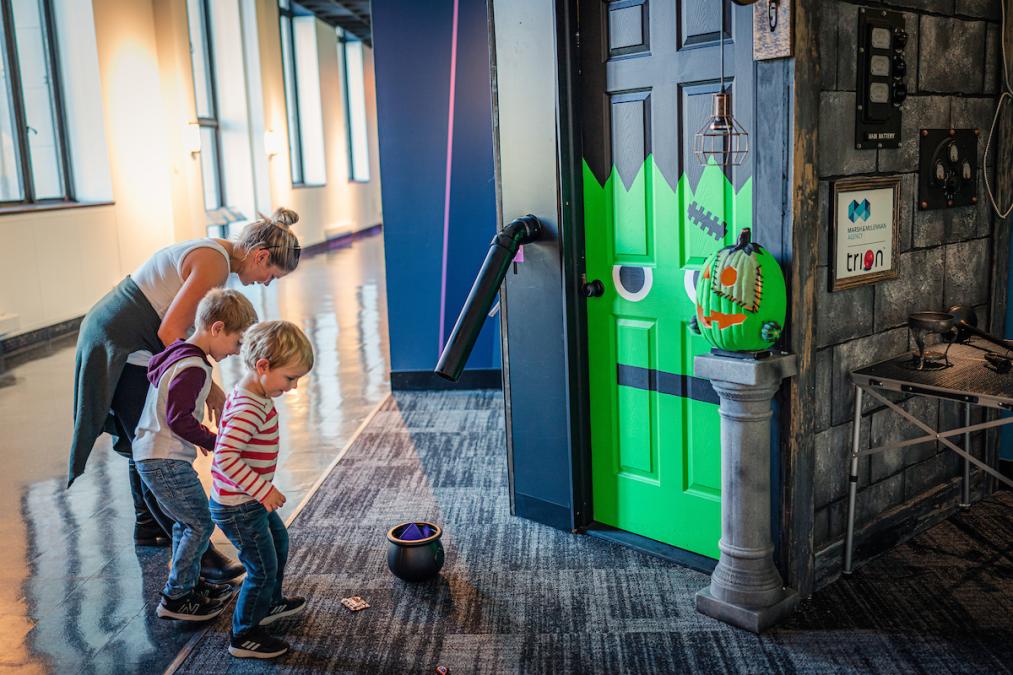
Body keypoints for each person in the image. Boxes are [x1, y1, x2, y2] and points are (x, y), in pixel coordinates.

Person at [69, 208, 302, 583]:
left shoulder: (218, 257)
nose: (266, 283)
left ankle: (149, 528)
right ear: (260, 256)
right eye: (270, 275)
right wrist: (208, 385)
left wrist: (209, 383)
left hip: (127, 335)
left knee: (138, 437)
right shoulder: (214, 264)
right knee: (150, 443)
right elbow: (172, 333)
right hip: (122, 338)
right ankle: (202, 556)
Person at [133, 289, 258, 621]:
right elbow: (178, 418)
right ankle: (176, 598)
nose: (234, 353)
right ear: (217, 329)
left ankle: (188, 583)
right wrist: (214, 440)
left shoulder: (179, 354)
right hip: (165, 458)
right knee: (198, 522)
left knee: (183, 523)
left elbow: (171, 410)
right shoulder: (195, 367)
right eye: (235, 344)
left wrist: (194, 436)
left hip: (151, 453)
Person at [209, 321, 314, 659]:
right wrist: (262, 489)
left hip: (249, 499)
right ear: (263, 366)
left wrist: (259, 491)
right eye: (290, 378)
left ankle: (269, 603)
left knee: (278, 543)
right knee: (262, 569)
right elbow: (225, 455)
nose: (294, 387)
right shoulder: (247, 407)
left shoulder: (252, 391)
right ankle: (244, 634)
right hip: (238, 505)